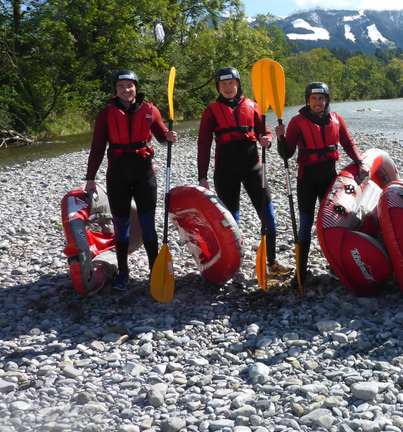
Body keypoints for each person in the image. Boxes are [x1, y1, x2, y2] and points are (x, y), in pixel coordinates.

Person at [84, 70, 178, 290]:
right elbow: (97, 147)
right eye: (121, 86)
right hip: (118, 177)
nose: (126, 90)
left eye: (129, 85)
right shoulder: (105, 114)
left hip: (145, 176)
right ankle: (123, 271)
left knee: (147, 225)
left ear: (136, 87)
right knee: (121, 226)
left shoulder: (150, 110)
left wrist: (169, 137)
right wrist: (90, 178)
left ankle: (155, 269)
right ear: (115, 90)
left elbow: (162, 136)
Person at [197, 67, 289, 281]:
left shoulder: (253, 106)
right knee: (232, 223)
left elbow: (265, 133)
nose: (228, 87)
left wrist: (267, 139)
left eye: (231, 83)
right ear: (218, 87)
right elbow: (204, 145)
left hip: (253, 170)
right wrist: (203, 177)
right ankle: (234, 266)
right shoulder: (211, 111)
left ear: (238, 84)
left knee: (269, 218)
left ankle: (271, 263)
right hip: (225, 173)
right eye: (223, 84)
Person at [274, 82, 370, 287]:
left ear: (327, 99)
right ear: (308, 100)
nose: (318, 102)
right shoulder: (297, 122)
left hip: (329, 179)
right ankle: (301, 272)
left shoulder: (337, 119)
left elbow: (347, 143)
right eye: (314, 98)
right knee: (306, 225)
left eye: (321, 98)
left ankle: (335, 266)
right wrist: (280, 138)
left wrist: (360, 162)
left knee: (333, 223)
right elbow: (286, 154)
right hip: (307, 181)